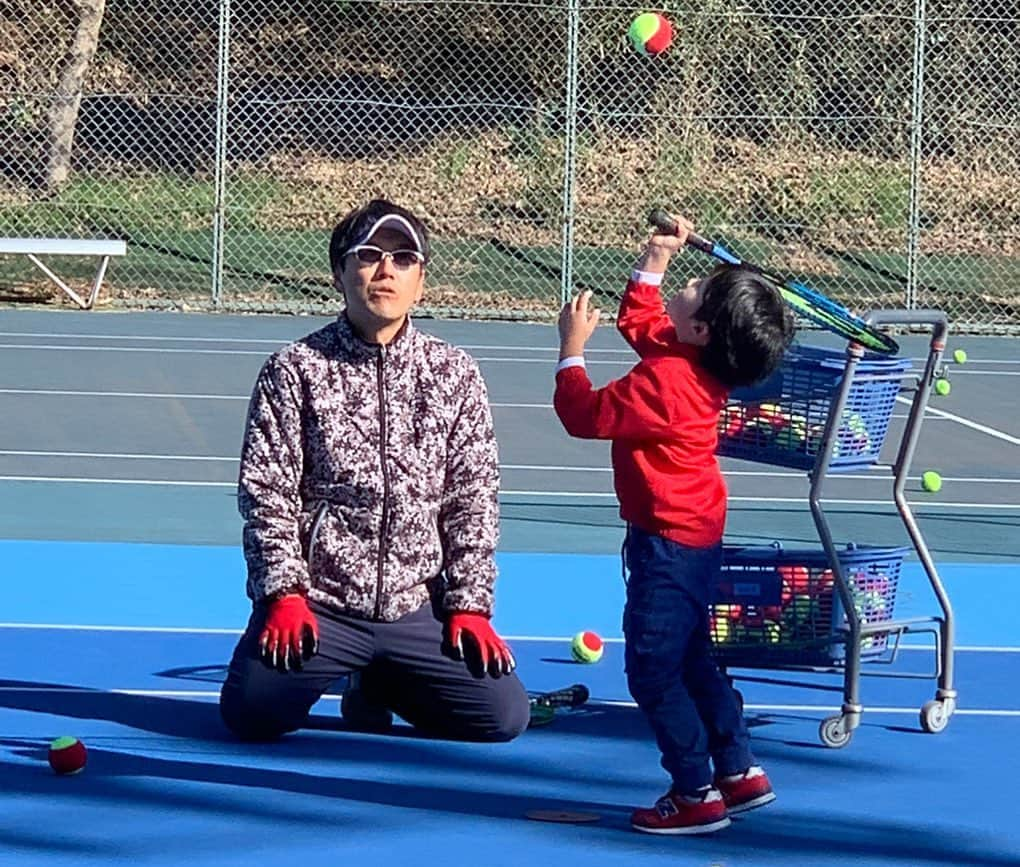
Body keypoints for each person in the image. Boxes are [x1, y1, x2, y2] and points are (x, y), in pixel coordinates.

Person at [219, 198, 530, 744]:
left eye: (403, 258)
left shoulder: (455, 373)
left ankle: (379, 680)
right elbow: (266, 492)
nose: (386, 270)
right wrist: (283, 594)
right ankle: (348, 662)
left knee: (501, 717)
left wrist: (469, 605)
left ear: (420, 279)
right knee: (252, 713)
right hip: (322, 604)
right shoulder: (295, 369)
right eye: (369, 256)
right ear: (341, 272)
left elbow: (473, 499)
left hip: (416, 605)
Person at [553, 213, 795, 835]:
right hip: (695, 532)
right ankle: (738, 769)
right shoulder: (691, 360)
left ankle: (695, 791)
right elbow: (643, 322)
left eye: (698, 285)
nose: (686, 282)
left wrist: (571, 349)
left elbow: (583, 415)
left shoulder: (667, 381)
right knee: (693, 657)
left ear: (702, 327)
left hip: (667, 543)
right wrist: (655, 256)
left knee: (654, 668)